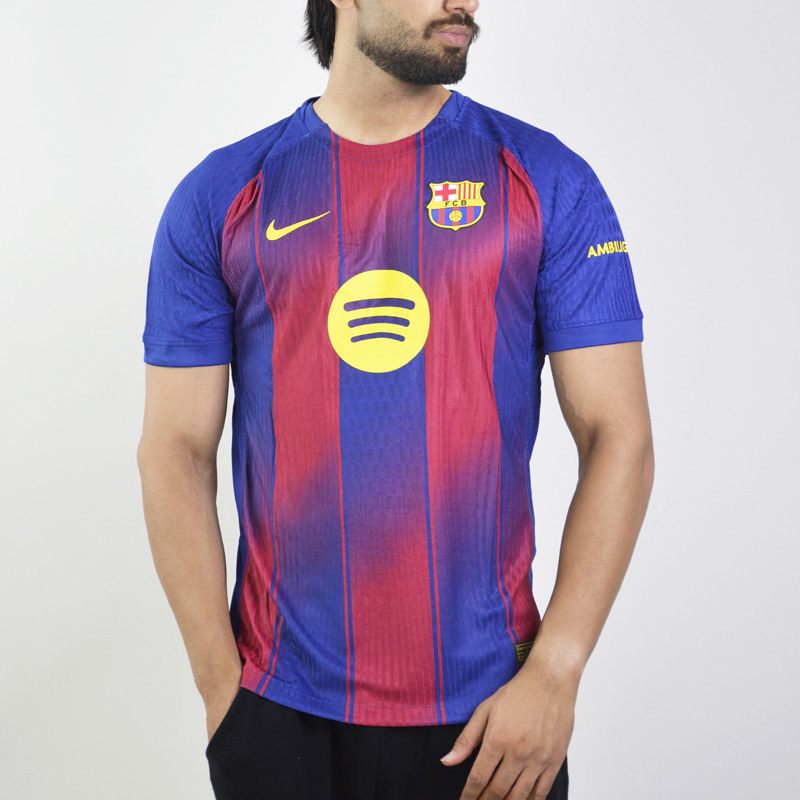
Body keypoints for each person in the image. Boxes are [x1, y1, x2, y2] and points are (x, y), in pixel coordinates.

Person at [136, 0, 655, 798]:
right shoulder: (225, 194)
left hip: (492, 719)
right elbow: (175, 450)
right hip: (279, 711)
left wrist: (556, 669)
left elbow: (617, 434)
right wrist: (220, 691)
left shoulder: (547, 179)